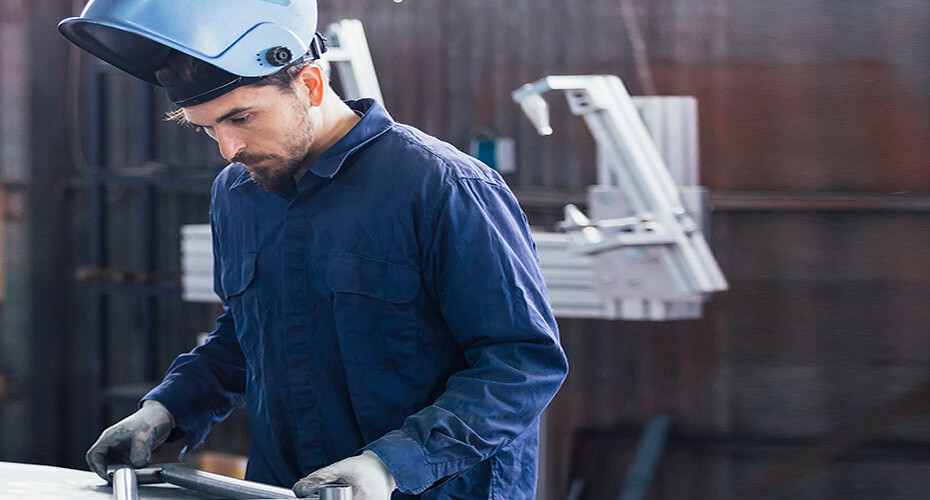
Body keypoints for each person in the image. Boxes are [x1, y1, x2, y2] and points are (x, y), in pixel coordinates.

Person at [61, 1, 568, 498]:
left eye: (241, 118)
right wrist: (168, 409)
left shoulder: (442, 186)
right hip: (285, 488)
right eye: (209, 128)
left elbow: (521, 363)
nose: (229, 149)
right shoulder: (238, 194)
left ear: (310, 84)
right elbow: (247, 335)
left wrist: (391, 464)